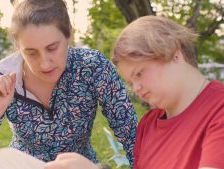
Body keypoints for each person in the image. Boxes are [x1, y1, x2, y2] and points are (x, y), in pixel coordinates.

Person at [0, 0, 137, 167]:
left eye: (52, 48)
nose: (45, 63)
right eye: (31, 52)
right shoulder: (1, 77)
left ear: (69, 33)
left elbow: (131, 136)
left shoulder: (93, 67)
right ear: (18, 46)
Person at [44, 16, 224, 169]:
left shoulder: (218, 109)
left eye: (139, 73)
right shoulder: (148, 125)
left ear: (174, 53)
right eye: (131, 82)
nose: (136, 88)